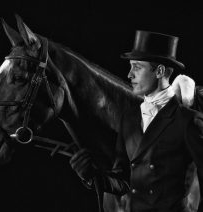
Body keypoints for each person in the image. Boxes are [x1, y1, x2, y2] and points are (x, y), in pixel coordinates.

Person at [70, 30, 203, 212]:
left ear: (160, 71)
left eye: (137, 67)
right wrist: (92, 176)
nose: (130, 75)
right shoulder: (130, 119)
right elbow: (123, 181)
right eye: (131, 66)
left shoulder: (188, 121)